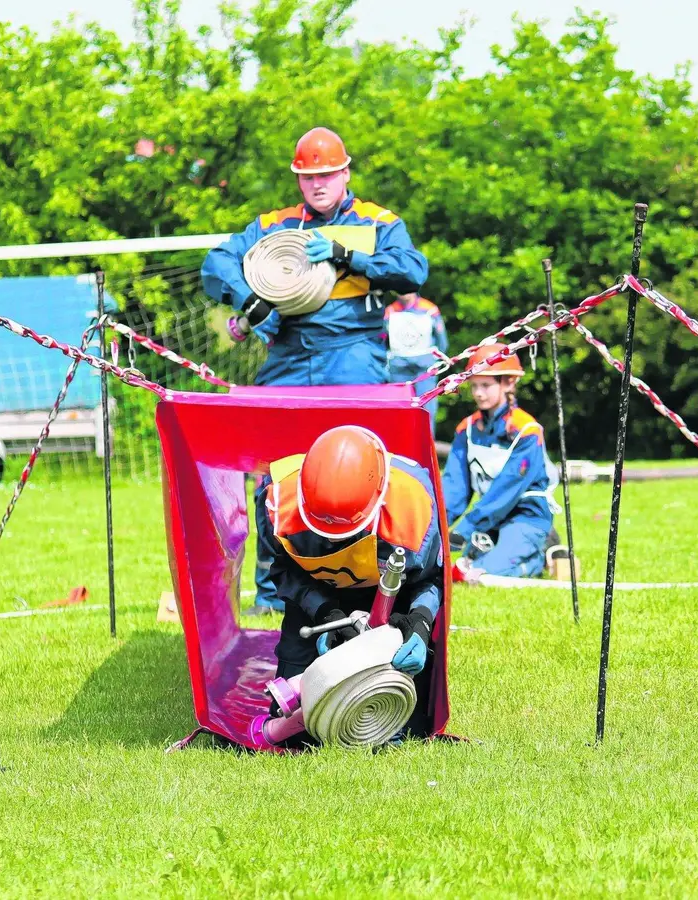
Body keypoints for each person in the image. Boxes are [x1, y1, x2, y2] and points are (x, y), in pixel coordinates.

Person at [200, 126, 430, 615]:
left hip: (354, 355)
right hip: (287, 357)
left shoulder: (378, 221)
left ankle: (370, 580)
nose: (318, 184)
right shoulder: (272, 224)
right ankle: (273, 592)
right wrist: (250, 302)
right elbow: (215, 264)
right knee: (273, 469)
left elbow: (413, 270)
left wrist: (349, 256)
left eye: (327, 174)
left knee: (363, 466)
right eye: (308, 177)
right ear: (299, 180)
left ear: (345, 172)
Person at [262, 425, 443, 738]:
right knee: (297, 731)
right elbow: (283, 570)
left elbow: (430, 580)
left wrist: (420, 626)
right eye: (321, 529)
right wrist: (326, 614)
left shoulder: (414, 513)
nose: (330, 537)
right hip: (316, 597)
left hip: (389, 598)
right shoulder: (280, 502)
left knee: (404, 728)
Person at [441, 343, 557, 582]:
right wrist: (436, 527)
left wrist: (465, 528)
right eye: (474, 386)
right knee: (457, 567)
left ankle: (541, 552)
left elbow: (506, 491)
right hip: (489, 521)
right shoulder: (467, 429)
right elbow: (455, 487)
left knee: (479, 574)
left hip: (525, 517)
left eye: (486, 385)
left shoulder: (527, 431)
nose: (478, 393)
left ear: (509, 383)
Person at [383, 293, 449, 422]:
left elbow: (442, 341)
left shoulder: (429, 309)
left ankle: (426, 441)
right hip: (398, 368)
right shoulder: (390, 311)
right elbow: (382, 340)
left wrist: (435, 360)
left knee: (427, 411)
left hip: (425, 368)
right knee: (398, 411)